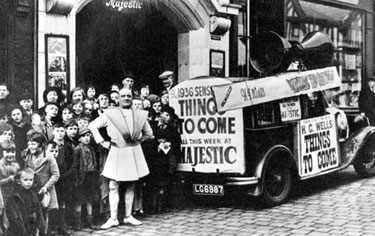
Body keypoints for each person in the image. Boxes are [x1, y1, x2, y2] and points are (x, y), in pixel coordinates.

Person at [88, 88, 153, 229]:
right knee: (113, 185)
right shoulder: (110, 114)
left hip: (132, 151)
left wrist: (138, 142)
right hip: (116, 151)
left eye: (128, 96)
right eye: (122, 96)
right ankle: (113, 218)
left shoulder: (140, 114)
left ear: (132, 97)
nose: (126, 98)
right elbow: (92, 125)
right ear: (117, 98)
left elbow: (149, 133)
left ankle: (128, 216)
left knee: (131, 185)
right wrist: (102, 142)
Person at [24, 135, 60, 235]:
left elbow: (56, 175)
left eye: (33, 144)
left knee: (46, 216)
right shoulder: (28, 157)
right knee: (35, 216)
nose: (31, 146)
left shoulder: (48, 157)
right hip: (33, 191)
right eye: (29, 144)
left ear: (41, 145)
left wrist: (46, 187)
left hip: (46, 191)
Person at [6, 168, 46, 236]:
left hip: (33, 224)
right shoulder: (14, 196)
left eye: (31, 180)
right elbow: (13, 216)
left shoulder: (33, 194)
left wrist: (41, 227)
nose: (29, 182)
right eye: (25, 180)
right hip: (21, 227)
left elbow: (38, 211)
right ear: (18, 181)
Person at [52, 123, 76, 235]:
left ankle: (62, 225)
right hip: (52, 178)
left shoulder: (68, 146)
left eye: (62, 131)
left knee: (62, 202)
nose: (60, 133)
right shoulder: (50, 145)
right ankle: (52, 226)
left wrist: (66, 174)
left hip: (64, 178)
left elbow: (73, 163)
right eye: (57, 131)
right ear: (53, 132)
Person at [73, 127, 98, 230]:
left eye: (88, 136)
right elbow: (75, 165)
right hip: (81, 177)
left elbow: (94, 163)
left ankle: (90, 221)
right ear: (79, 139)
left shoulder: (91, 149)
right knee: (79, 200)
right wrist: (76, 179)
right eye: (83, 136)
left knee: (89, 199)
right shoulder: (77, 149)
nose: (86, 138)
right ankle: (77, 223)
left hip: (90, 176)